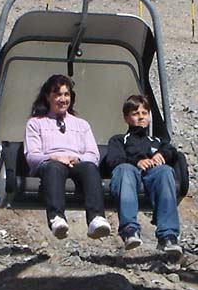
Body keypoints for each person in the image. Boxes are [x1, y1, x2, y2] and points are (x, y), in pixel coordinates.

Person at [23, 74, 111, 240]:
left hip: (75, 162)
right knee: (54, 168)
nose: (63, 99)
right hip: (50, 164)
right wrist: (54, 157)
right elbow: (32, 155)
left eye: (66, 94)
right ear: (48, 97)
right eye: (58, 95)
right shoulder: (36, 123)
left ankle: (96, 217)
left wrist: (78, 159)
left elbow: (93, 154)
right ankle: (56, 217)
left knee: (90, 168)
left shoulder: (81, 125)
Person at [101, 94, 184, 255]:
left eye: (144, 113)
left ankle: (168, 235)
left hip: (152, 175)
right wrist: (136, 162)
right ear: (126, 118)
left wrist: (162, 156)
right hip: (129, 174)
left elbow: (172, 151)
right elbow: (113, 160)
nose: (141, 117)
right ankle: (129, 229)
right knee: (124, 169)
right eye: (135, 114)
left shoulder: (157, 142)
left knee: (166, 172)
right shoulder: (119, 140)